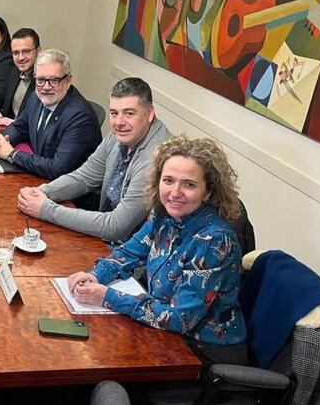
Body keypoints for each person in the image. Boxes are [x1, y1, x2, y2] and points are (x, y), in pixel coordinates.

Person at [67, 136, 247, 367]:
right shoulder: (164, 215)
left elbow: (179, 319)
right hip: (162, 332)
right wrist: (95, 275)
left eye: (189, 184)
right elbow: (128, 254)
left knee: (99, 363)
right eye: (168, 180)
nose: (175, 192)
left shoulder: (214, 241)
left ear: (208, 191)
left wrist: (106, 296)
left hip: (201, 353)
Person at [16, 77, 171, 243]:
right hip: (104, 237)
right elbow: (85, 177)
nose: (119, 122)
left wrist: (46, 210)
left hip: (130, 255)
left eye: (129, 113)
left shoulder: (155, 157)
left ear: (149, 114)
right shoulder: (121, 135)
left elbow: (116, 227)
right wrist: (42, 191)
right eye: (114, 113)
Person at [0, 49, 101, 180]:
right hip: (38, 176)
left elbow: (57, 168)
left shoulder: (80, 117)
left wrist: (12, 154)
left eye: (54, 80)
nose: (46, 87)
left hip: (68, 194)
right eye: (40, 80)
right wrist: (1, 141)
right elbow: (20, 127)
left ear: (68, 81)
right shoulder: (36, 97)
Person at [0, 28, 40, 126]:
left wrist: (15, 123)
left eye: (26, 51)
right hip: (7, 131)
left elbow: (43, 125)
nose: (21, 58)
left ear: (38, 50)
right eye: (16, 53)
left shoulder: (45, 79)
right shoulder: (14, 71)